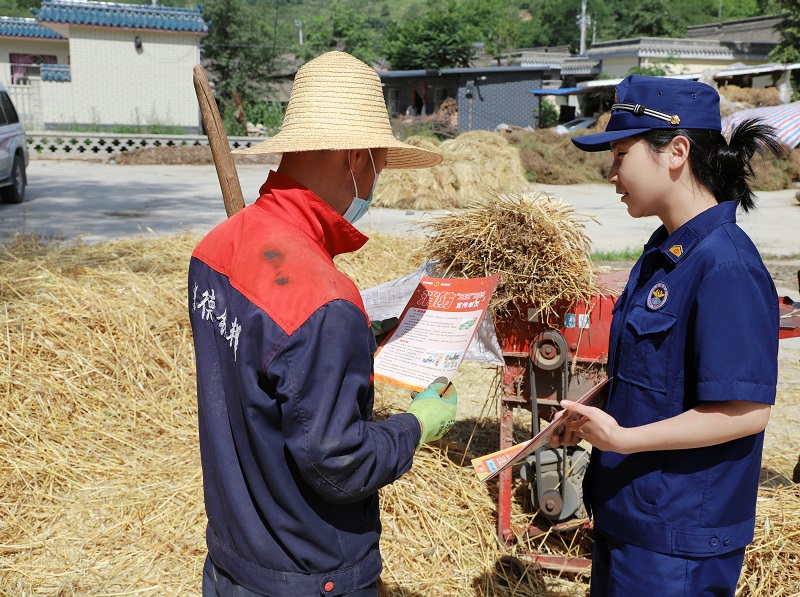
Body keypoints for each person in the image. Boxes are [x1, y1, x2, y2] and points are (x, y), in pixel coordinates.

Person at [189, 51, 458, 597]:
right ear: (356, 159)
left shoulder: (215, 249)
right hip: (309, 575)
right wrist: (417, 426)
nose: (376, 180)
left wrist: (361, 339)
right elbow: (340, 466)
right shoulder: (324, 300)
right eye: (379, 165)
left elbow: (262, 371)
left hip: (231, 560)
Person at [550, 75, 781, 596]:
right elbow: (654, 381)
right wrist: (593, 419)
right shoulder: (664, 252)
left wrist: (624, 440)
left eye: (620, 155)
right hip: (631, 519)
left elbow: (745, 412)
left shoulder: (725, 265)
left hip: (677, 544)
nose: (612, 175)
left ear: (676, 151)